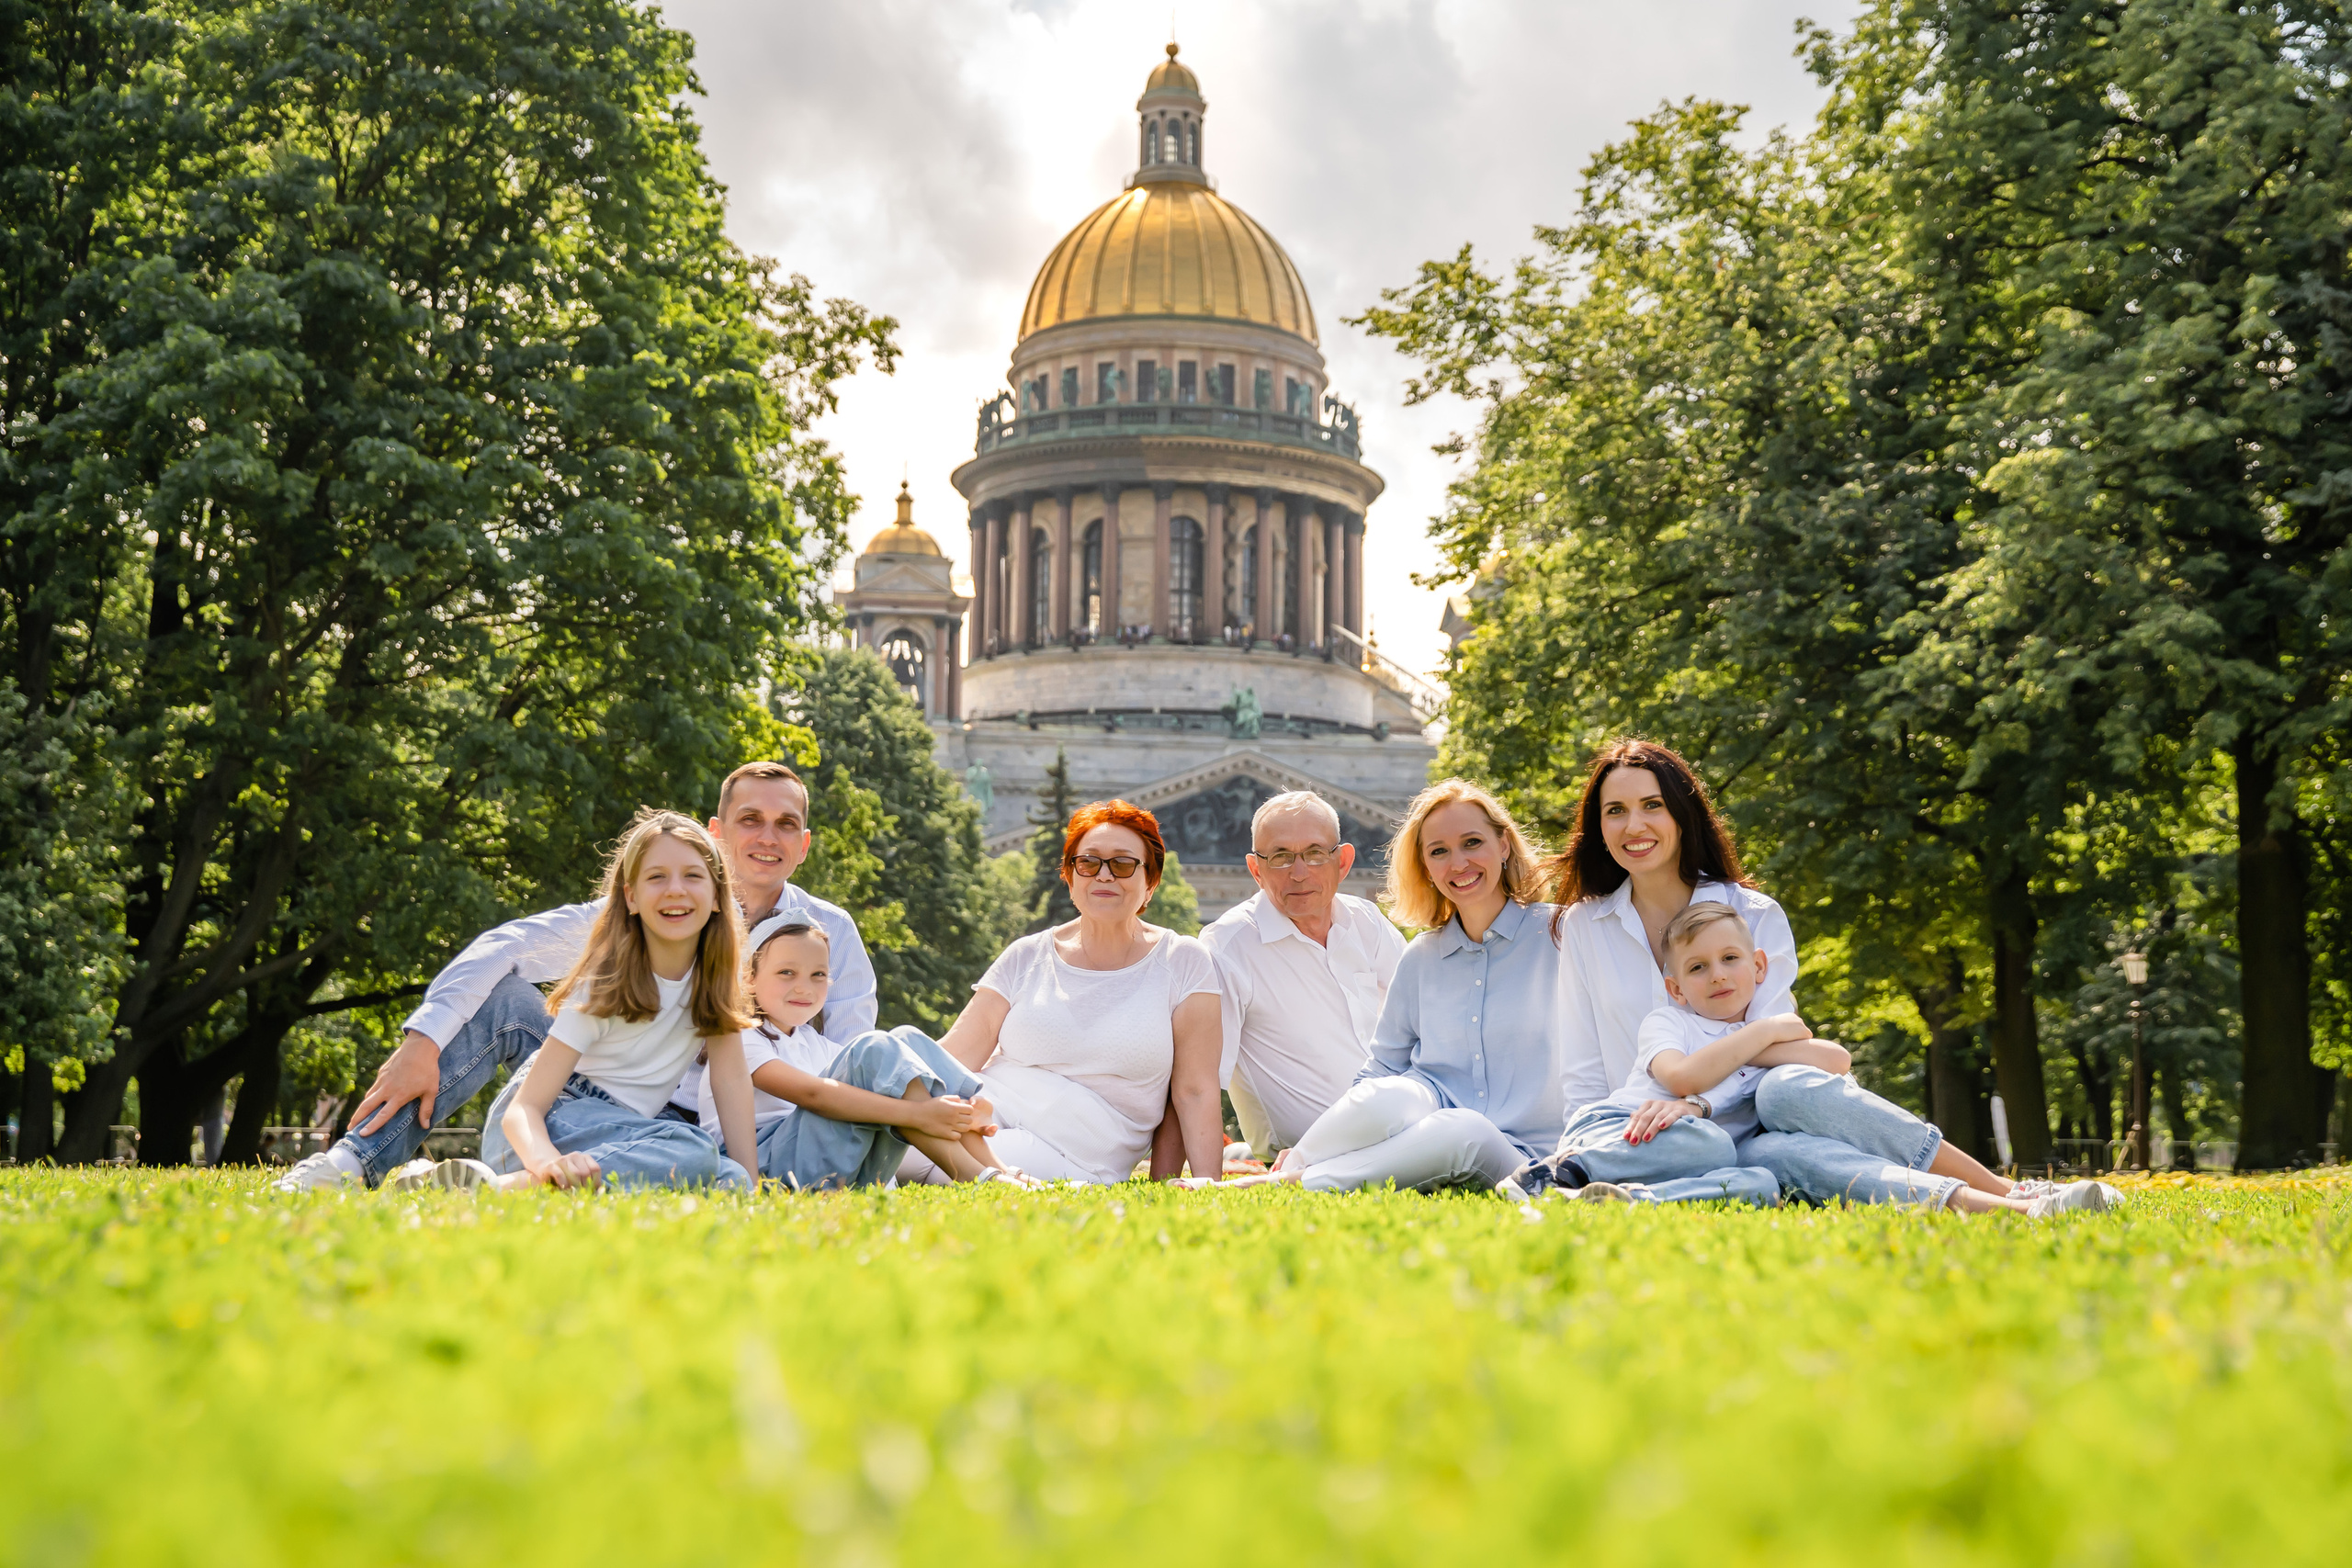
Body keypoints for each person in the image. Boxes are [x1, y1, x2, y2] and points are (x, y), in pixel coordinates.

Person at [1544, 739, 2116, 1213]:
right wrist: (1599, 1142)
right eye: (1614, 811)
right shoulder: (1584, 927)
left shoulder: (1753, 916)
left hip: (1754, 1123)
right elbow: (1585, 1075)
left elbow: (1787, 1057)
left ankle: (2013, 1200)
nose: (1633, 825)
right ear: (1598, 827)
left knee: (1788, 1097)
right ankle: (2017, 1202)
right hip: (1648, 1135)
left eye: (1652, 805)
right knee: (1774, 1113)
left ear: (1681, 813)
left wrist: (1704, 1093)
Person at [277, 761, 871, 1191]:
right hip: (587, 1095)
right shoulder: (648, 908)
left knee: (708, 1168)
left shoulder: (831, 933)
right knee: (507, 998)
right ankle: (352, 1164)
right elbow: (507, 945)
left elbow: (845, 1059)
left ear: (804, 843)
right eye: (750, 819)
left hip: (712, 1122)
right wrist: (423, 1039)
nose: (767, 837)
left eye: (785, 824)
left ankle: (474, 1185)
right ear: (717, 833)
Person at [1205, 780, 1561, 1194]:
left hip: (1530, 1153)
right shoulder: (1424, 956)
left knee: (1463, 1128)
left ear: (1503, 845)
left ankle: (1282, 1183)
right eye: (1439, 851)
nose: (1458, 863)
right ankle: (1295, 1168)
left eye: (1472, 842)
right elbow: (1382, 1071)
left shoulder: (1561, 935)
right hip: (1408, 1136)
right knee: (1399, 1097)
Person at [926, 801, 1225, 1184]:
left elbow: (1195, 1090)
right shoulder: (1026, 955)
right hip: (990, 1108)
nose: (1104, 876)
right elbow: (955, 1056)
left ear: (1150, 881)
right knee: (898, 1061)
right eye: (1089, 863)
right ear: (1070, 876)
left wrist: (1207, 1184)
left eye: (1122, 864)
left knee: (915, 1151)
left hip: (1084, 1148)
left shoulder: (1183, 961)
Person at [468, 810, 760, 1191]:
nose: (675, 889)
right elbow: (523, 1110)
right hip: (548, 1126)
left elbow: (731, 1081)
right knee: (693, 1148)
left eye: (692, 875)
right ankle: (506, 1189)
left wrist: (753, 1185)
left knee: (731, 1180)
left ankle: (553, 1193)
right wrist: (548, 1164)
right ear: (631, 897)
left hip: (621, 1138)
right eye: (657, 877)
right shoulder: (606, 984)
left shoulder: (715, 978)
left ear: (718, 895)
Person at [1504, 904, 1799, 1206]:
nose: (1718, 976)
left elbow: (1835, 1059)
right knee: (1718, 1145)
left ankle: (1631, 1200)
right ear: (1675, 989)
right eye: (1698, 967)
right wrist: (1766, 1031)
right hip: (1618, 1127)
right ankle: (1550, 1173)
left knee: (1763, 1183)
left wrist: (1766, 1032)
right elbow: (1679, 1078)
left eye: (1730, 958)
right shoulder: (1669, 1023)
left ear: (1759, 966)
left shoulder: (1763, 1045)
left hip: (1682, 1156)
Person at [698, 917, 1026, 1189]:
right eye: (787, 973)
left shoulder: (816, 1044)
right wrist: (919, 1114)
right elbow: (814, 1095)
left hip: (823, 1157)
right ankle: (979, 1177)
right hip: (766, 1163)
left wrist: (954, 1110)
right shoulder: (739, 1038)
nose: (804, 987)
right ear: (750, 978)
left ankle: (1002, 1170)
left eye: (818, 975)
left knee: (905, 1039)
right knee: (877, 1047)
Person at [1200, 791, 1406, 1159]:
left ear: (1342, 862)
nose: (1299, 873)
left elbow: (1423, 1024)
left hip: (1405, 1126)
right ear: (1255, 869)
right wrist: (1201, 1169)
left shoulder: (1367, 921)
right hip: (1313, 1152)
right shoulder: (1228, 946)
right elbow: (1198, 1080)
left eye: (1314, 854)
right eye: (1280, 857)